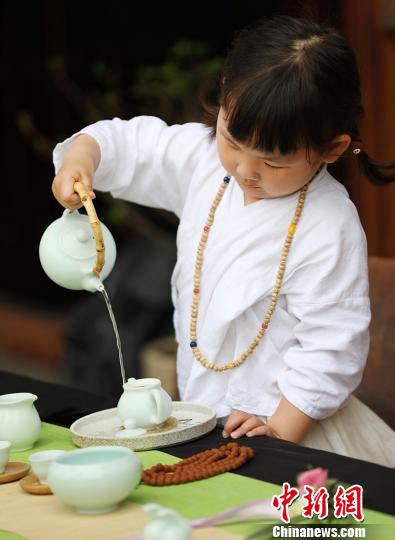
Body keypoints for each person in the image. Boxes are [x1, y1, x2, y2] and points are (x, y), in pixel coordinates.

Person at [51, 16, 395, 467]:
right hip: (205, 413)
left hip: (292, 428)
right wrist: (82, 157)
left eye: (273, 162)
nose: (245, 170)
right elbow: (132, 145)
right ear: (223, 103)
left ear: (331, 149)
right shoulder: (204, 161)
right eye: (232, 139)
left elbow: (331, 345)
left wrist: (282, 433)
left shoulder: (329, 224)